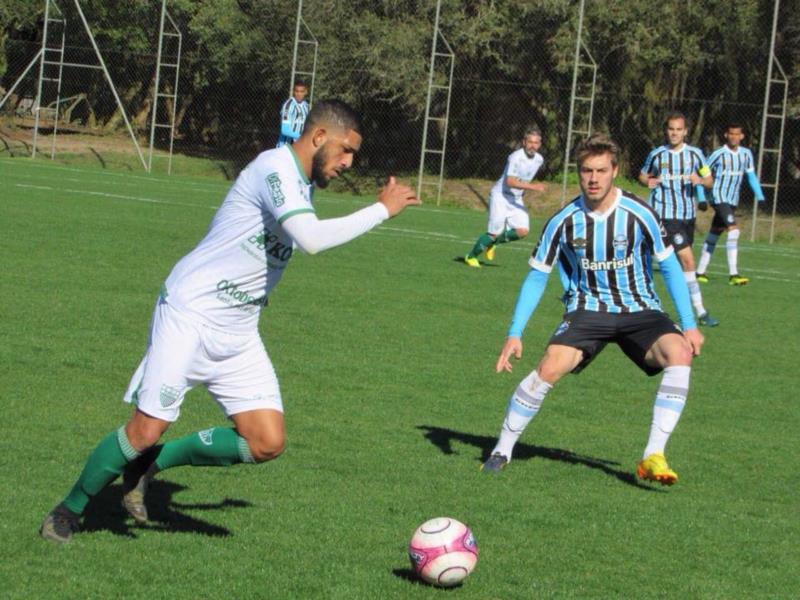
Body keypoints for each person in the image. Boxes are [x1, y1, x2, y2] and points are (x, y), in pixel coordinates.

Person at [40, 100, 420, 543]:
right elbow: (312, 240)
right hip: (191, 315)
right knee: (144, 428)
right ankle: (69, 510)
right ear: (319, 137)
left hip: (238, 331)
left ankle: (151, 465)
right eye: (346, 151)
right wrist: (382, 210)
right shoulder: (274, 168)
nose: (349, 163)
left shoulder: (302, 184)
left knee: (266, 442)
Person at [481, 134, 704, 486]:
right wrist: (515, 332)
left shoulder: (640, 212)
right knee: (549, 367)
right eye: (587, 171)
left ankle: (653, 455)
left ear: (615, 170)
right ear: (579, 172)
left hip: (640, 309)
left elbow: (671, 266)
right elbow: (537, 277)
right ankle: (502, 450)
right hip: (588, 310)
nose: (594, 178)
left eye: (602, 170)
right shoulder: (563, 221)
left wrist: (689, 324)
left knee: (679, 353)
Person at [639, 111, 719, 326]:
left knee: (678, 264)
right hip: (665, 216)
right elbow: (643, 175)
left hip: (687, 217)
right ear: (666, 131)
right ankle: (699, 312)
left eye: (678, 130)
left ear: (685, 132)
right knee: (687, 260)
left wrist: (700, 181)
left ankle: (656, 307)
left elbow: (709, 179)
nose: (674, 133)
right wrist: (649, 181)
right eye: (671, 129)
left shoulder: (695, 155)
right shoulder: (657, 154)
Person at [464, 128, 547, 267]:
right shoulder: (515, 157)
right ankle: (471, 256)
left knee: (522, 231)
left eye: (536, 143)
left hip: (515, 199)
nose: (533, 145)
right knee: (493, 233)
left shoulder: (539, 159)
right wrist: (534, 187)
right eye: (530, 142)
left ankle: (494, 245)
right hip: (500, 196)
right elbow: (510, 182)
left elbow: (524, 178)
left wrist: (523, 192)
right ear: (524, 142)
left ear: (539, 144)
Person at [696, 122, 765, 285]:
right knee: (733, 231)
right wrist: (701, 197)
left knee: (714, 233)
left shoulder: (746, 154)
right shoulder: (718, 154)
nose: (734, 137)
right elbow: (701, 173)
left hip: (732, 199)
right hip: (718, 197)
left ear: (742, 136)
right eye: (731, 134)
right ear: (726, 135)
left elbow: (751, 176)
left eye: (737, 134)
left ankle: (699, 272)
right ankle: (733, 275)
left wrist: (760, 196)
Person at [276, 81, 310, 147]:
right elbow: (285, 130)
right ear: (293, 92)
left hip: (299, 146)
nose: (299, 94)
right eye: (297, 91)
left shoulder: (306, 106)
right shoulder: (288, 105)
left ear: (306, 92)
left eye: (301, 91)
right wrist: (303, 137)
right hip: (285, 147)